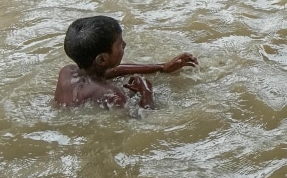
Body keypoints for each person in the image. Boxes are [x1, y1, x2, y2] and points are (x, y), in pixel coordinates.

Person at [54, 15, 197, 109]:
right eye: (119, 44)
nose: (125, 45)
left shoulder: (67, 71)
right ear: (102, 59)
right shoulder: (113, 95)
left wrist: (162, 67)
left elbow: (110, 72)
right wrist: (146, 92)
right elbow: (140, 123)